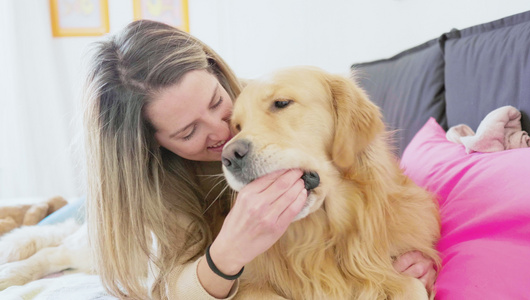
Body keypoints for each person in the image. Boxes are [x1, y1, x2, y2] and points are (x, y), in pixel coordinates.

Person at [83, 20, 436, 299]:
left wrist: (405, 265)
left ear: (217, 73)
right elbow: (168, 287)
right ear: (154, 147)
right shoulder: (156, 188)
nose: (226, 136)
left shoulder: (267, 94)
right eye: (188, 132)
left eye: (215, 102)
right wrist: (226, 254)